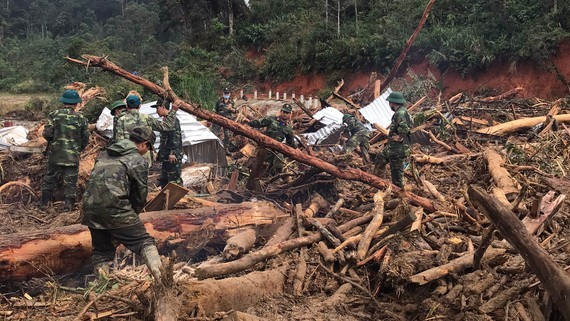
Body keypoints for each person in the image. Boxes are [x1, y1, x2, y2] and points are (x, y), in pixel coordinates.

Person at [82, 127, 162, 281]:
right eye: (148, 148)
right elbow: (139, 195)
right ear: (144, 144)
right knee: (144, 242)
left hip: (90, 208)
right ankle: (164, 282)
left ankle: (101, 288)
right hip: (115, 207)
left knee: (102, 252)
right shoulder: (137, 159)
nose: (147, 152)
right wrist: (130, 217)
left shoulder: (105, 154)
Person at [41, 89, 89, 211]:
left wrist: (55, 141)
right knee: (71, 180)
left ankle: (45, 203)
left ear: (63, 102)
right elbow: (85, 138)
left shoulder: (54, 115)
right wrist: (78, 148)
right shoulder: (81, 118)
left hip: (56, 153)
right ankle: (68, 206)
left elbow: (47, 134)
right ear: (77, 103)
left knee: (50, 177)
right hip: (72, 155)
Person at [374, 91, 413, 188]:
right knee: (380, 157)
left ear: (392, 103)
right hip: (392, 147)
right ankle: (378, 183)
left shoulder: (400, 113)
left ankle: (399, 194)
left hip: (398, 148)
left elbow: (404, 128)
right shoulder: (402, 111)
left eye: (389, 102)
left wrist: (399, 137)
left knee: (396, 173)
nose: (389, 104)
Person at [248, 103, 297, 175]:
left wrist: (297, 151)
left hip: (276, 150)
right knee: (259, 167)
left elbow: (291, 142)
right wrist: (249, 122)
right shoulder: (271, 119)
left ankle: (275, 177)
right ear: (281, 112)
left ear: (290, 114)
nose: (284, 114)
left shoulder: (288, 128)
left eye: (287, 113)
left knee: (279, 158)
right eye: (283, 112)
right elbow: (259, 123)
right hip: (265, 147)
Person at [152, 98, 183, 188]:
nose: (156, 111)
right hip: (166, 155)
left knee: (174, 180)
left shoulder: (173, 120)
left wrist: (172, 152)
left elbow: (175, 137)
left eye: (157, 108)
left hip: (172, 156)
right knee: (165, 180)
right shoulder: (166, 120)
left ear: (163, 107)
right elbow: (165, 139)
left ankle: (177, 200)